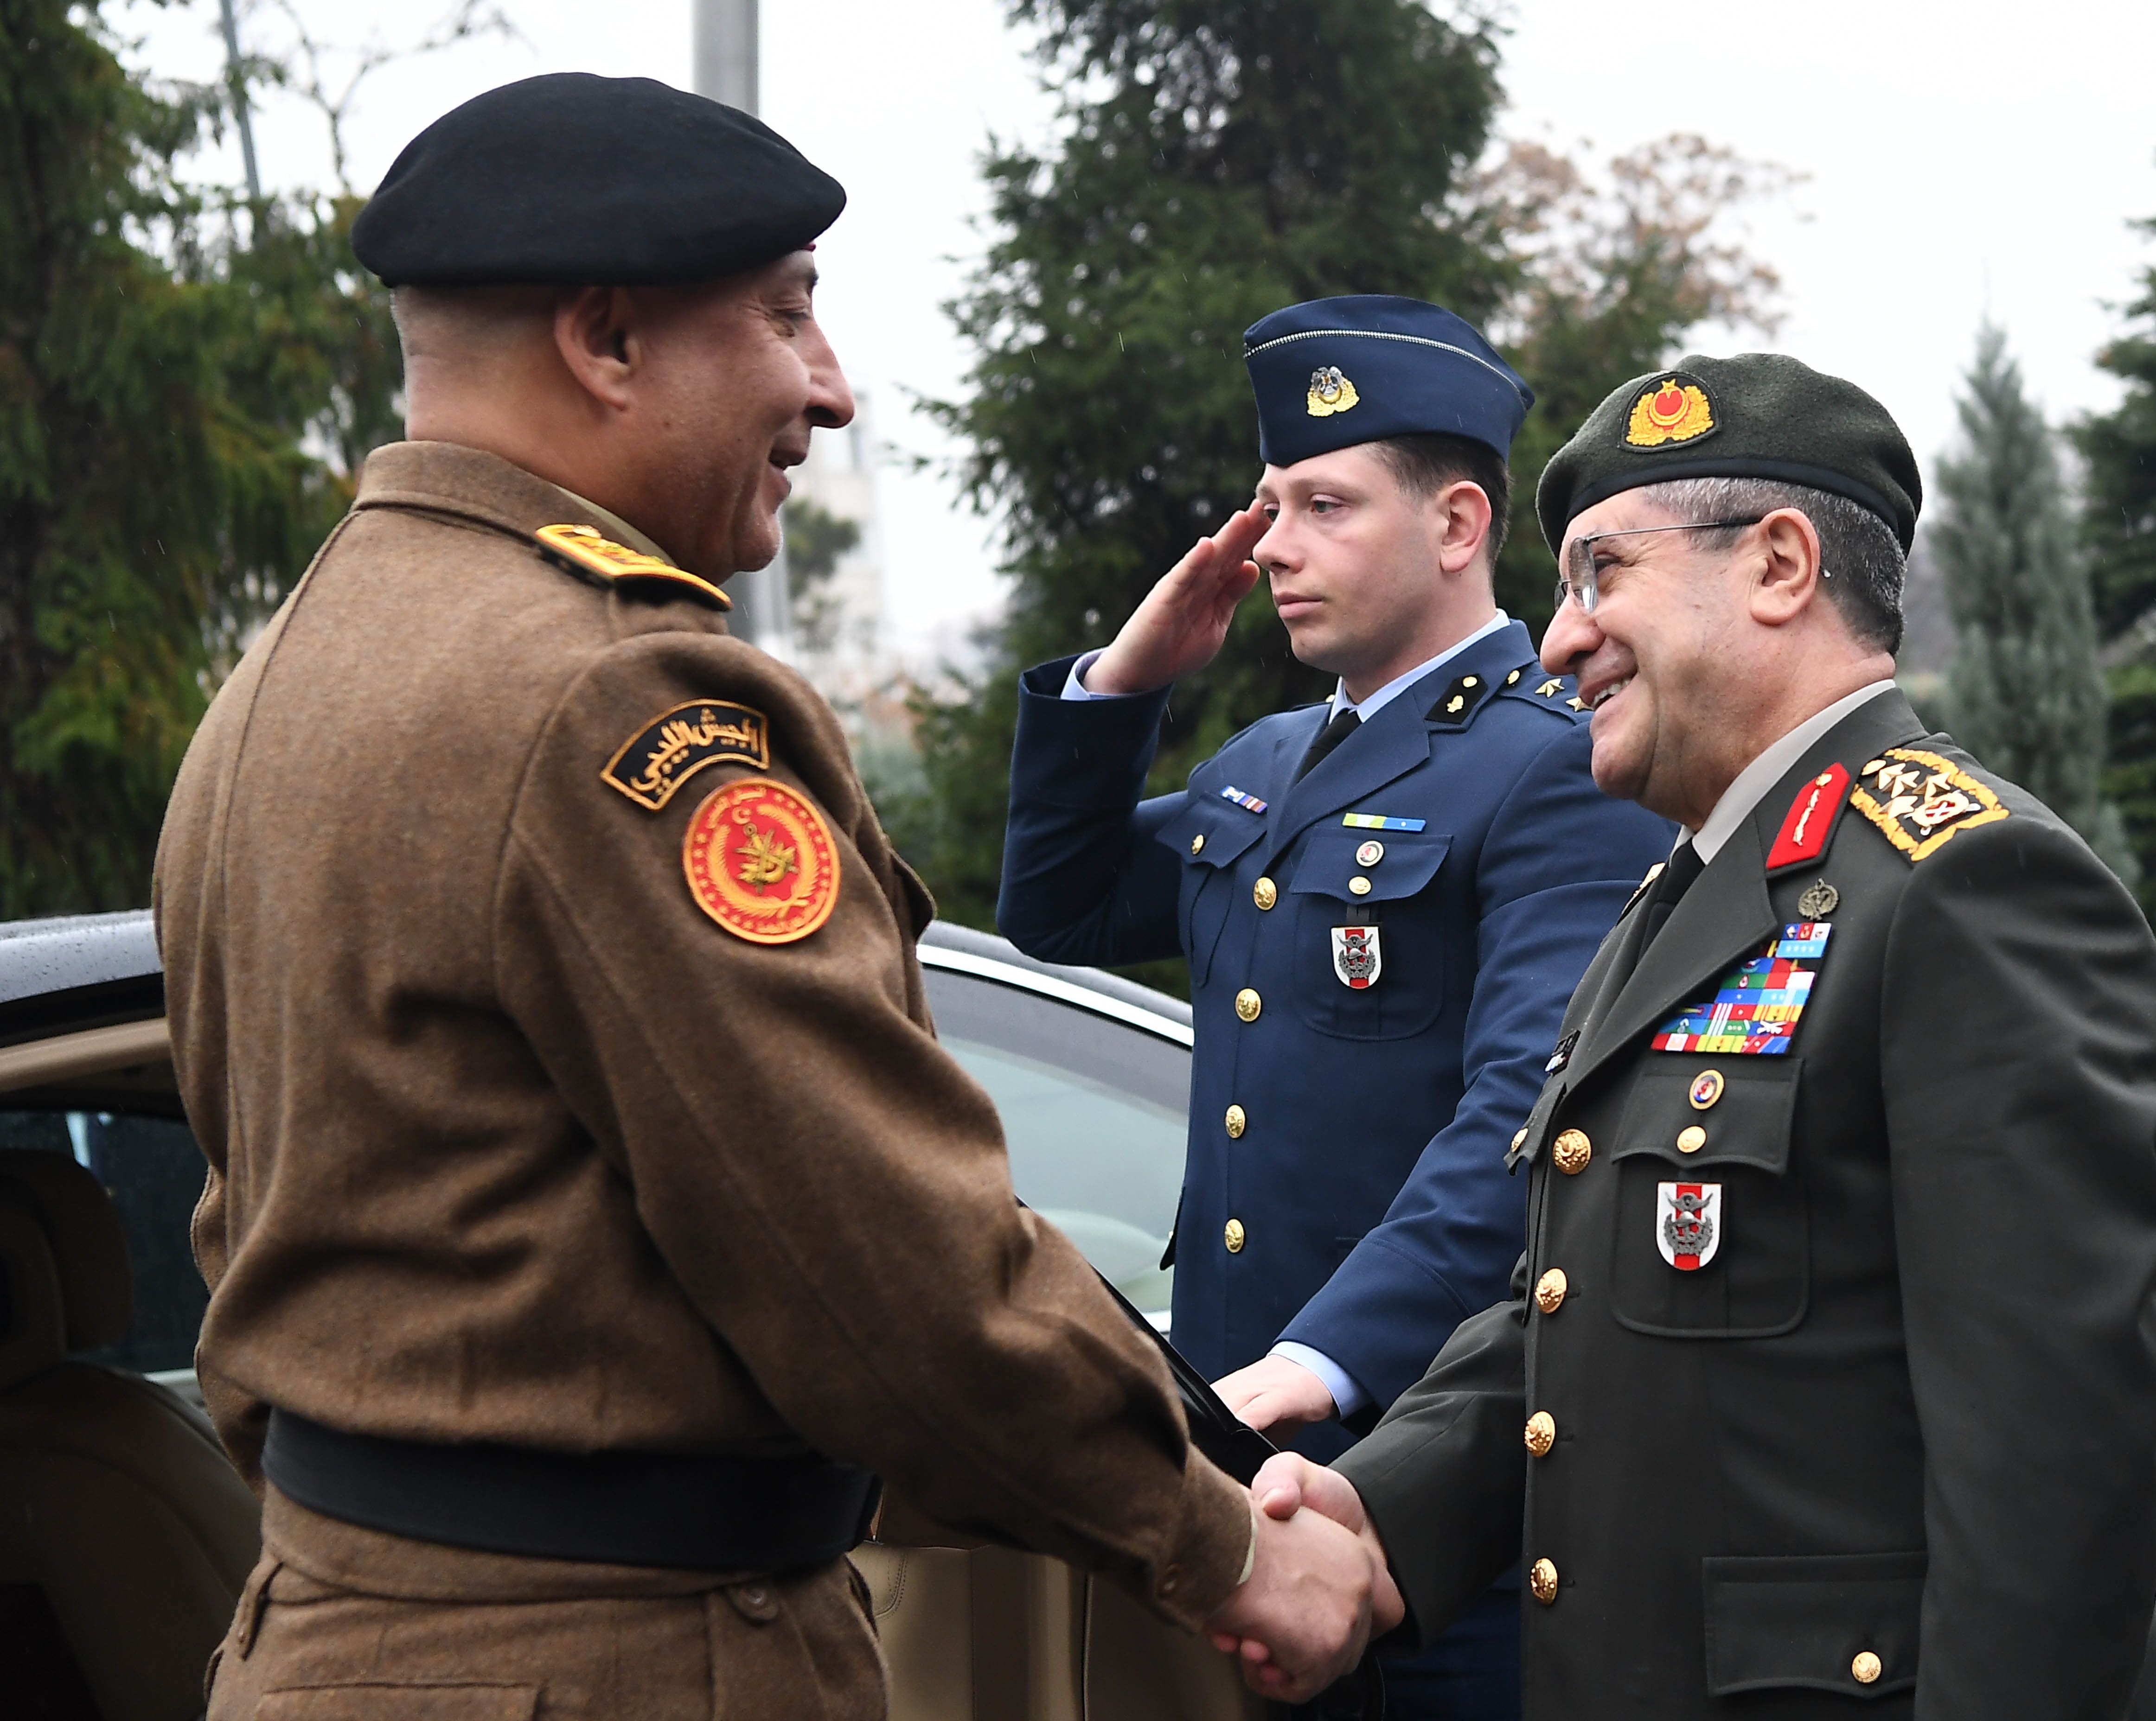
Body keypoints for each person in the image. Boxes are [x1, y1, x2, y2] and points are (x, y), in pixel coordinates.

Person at [155, 73, 1380, 1721]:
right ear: (608, 340)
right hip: (614, 1666)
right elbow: (877, 1255)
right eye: (786, 316)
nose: (832, 389)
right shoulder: (616, 697)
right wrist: (1219, 1543)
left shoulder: (294, 672)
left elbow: (261, 1221)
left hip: (336, 1638)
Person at [1238, 354, 2156, 1716]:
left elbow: (2054, 1471)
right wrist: (1380, 1518)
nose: (1559, 641)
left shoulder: (1967, 886)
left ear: (1777, 565)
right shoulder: (1690, 895)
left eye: (1601, 575)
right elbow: (1575, 1312)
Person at [997, 295, 1673, 1713]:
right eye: (1266, 507)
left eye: (1324, 505)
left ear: (1457, 524)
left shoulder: (1552, 767)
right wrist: (1124, 681)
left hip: (1433, 1483)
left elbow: (1530, 1114)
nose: (1271, 547)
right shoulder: (1264, 764)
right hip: (1245, 1472)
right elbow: (1055, 912)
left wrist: (1322, 1360)